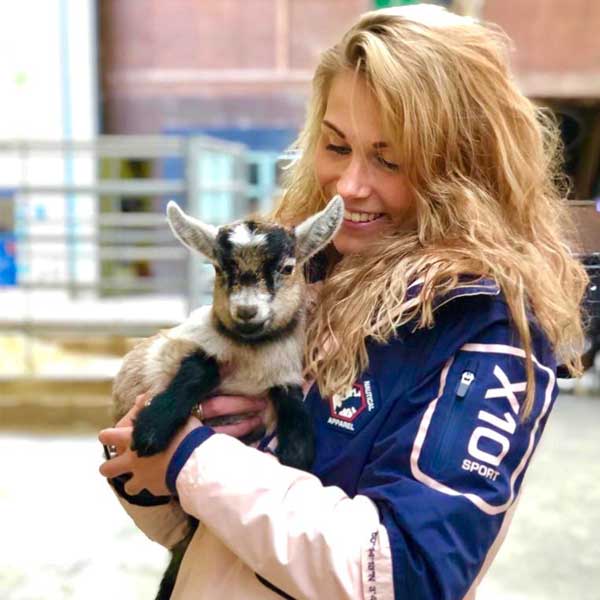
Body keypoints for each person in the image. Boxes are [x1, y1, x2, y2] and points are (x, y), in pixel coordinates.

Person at [98, 5, 588, 599]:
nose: (351, 185)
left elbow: (409, 575)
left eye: (390, 158)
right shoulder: (300, 269)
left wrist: (191, 460)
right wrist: (155, 461)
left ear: (463, 165)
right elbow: (197, 533)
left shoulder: (482, 323)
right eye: (335, 146)